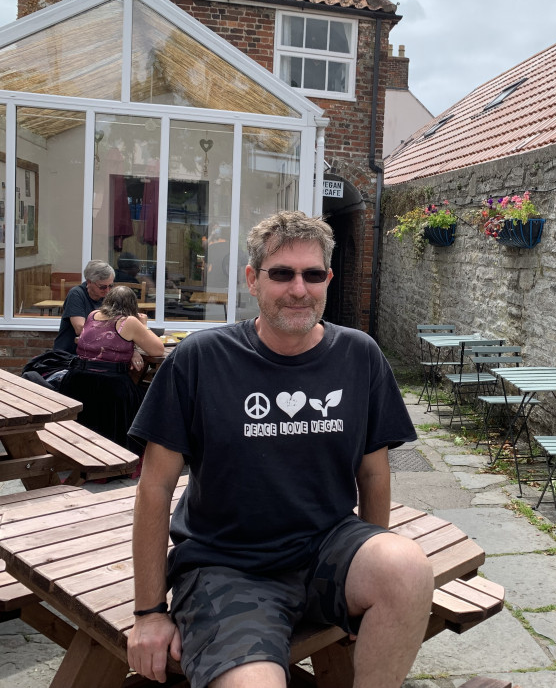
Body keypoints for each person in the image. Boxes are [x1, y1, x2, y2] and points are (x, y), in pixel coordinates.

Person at [127, 211, 434, 688]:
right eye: (282, 274)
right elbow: (155, 487)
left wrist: (371, 575)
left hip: (327, 549)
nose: (299, 289)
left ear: (328, 279)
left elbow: (373, 475)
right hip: (227, 566)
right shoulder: (201, 360)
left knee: (407, 568)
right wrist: (148, 612)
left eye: (313, 274)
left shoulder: (360, 355)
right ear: (253, 279)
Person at [59, 285, 164, 456]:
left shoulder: (93, 315)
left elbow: (100, 342)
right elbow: (157, 350)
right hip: (109, 386)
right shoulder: (128, 322)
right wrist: (143, 325)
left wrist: (132, 350)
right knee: (149, 400)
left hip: (78, 381)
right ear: (132, 305)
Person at [53, 260, 115, 353]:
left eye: (110, 286)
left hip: (93, 353)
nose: (107, 290)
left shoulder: (109, 296)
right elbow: (80, 328)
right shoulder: (76, 294)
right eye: (102, 287)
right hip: (69, 355)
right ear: (89, 282)